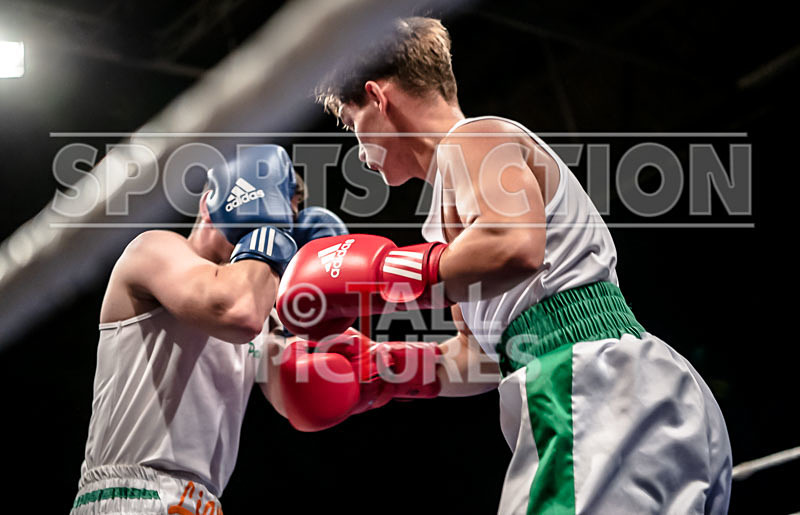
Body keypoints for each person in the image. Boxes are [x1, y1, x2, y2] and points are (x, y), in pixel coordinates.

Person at [276, 17, 732, 514]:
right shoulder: (448, 225)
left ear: (378, 98)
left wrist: (384, 274)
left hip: (590, 388)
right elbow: (483, 356)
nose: (359, 151)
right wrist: (383, 369)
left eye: (351, 123)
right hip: (611, 387)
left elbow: (514, 245)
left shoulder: (475, 138)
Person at [70, 144, 348, 514]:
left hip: (201, 502)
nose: (283, 228)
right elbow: (237, 311)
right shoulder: (154, 250)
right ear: (210, 204)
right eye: (275, 209)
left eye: (287, 221)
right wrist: (268, 235)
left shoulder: (259, 307)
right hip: (132, 494)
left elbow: (294, 400)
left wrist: (310, 315)